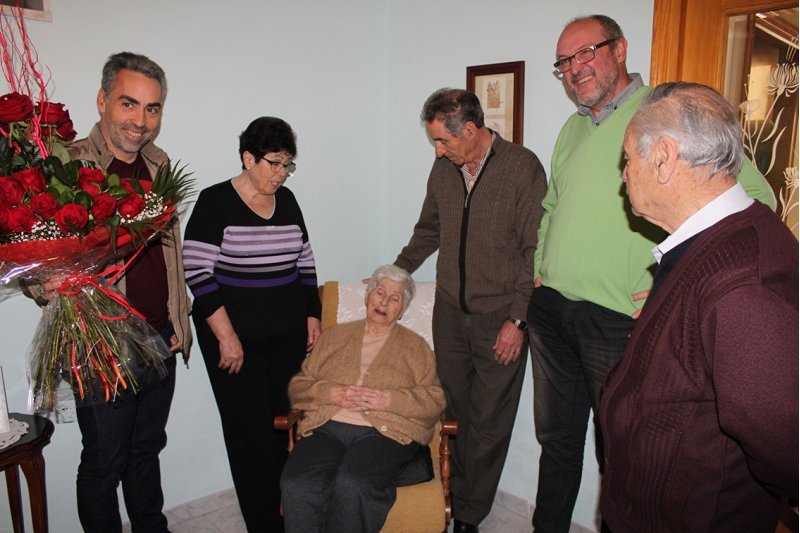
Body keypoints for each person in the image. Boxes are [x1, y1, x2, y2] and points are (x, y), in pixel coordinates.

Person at [528, 15, 777, 532]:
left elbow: (751, 196)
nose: (576, 69)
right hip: (552, 308)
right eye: (565, 62)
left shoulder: (664, 117)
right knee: (556, 442)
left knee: (624, 449)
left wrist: (674, 279)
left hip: (619, 317)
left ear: (620, 49)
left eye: (586, 53)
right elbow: (551, 207)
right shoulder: (571, 129)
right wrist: (540, 269)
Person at [599, 81, 798, 532]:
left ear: (664, 157)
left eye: (629, 158)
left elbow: (785, 444)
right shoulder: (711, 245)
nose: (625, 174)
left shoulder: (743, 282)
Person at [393, 88, 546, 532]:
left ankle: (469, 515)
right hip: (450, 316)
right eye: (434, 143)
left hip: (501, 319)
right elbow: (428, 230)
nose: (438, 152)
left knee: (489, 422)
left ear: (473, 130)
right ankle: (451, 496)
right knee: (454, 415)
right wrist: (396, 271)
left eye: (443, 141)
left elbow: (532, 252)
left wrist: (518, 320)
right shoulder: (444, 170)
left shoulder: (522, 168)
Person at [65, 52, 193, 533]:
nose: (141, 121)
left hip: (159, 335)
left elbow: (169, 257)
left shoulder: (159, 166)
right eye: (129, 104)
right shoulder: (69, 167)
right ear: (103, 101)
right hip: (103, 344)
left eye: (153, 108)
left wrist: (178, 323)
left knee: (145, 451)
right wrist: (45, 283)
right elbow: (31, 254)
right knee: (104, 462)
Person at [183, 116, 321, 532]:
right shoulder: (215, 202)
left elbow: (305, 262)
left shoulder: (289, 201)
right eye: (274, 163)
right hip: (233, 341)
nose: (280, 174)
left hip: (287, 338)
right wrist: (226, 337)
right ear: (248, 158)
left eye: (287, 165)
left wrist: (312, 315)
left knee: (286, 429)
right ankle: (264, 524)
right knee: (250, 438)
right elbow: (197, 271)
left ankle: (291, 514)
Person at [280, 264, 446, 532]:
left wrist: (388, 400)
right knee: (296, 483)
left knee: (352, 482)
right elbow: (299, 387)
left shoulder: (417, 348)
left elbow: (434, 401)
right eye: (380, 292)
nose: (384, 301)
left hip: (385, 433)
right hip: (328, 429)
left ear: (402, 310)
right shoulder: (334, 336)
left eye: (395, 298)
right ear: (367, 296)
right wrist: (331, 393)